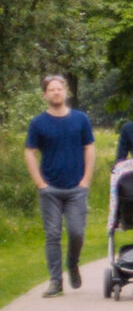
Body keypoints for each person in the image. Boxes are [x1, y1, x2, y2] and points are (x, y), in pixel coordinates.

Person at [24, 74, 95, 297]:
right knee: (53, 234)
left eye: (59, 88)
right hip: (50, 189)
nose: (56, 92)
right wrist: (39, 183)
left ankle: (72, 263)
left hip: (76, 188)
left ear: (66, 92)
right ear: (45, 95)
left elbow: (89, 148)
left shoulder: (80, 119)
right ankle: (55, 281)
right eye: (51, 89)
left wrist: (86, 180)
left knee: (76, 232)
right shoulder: (38, 123)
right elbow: (30, 152)